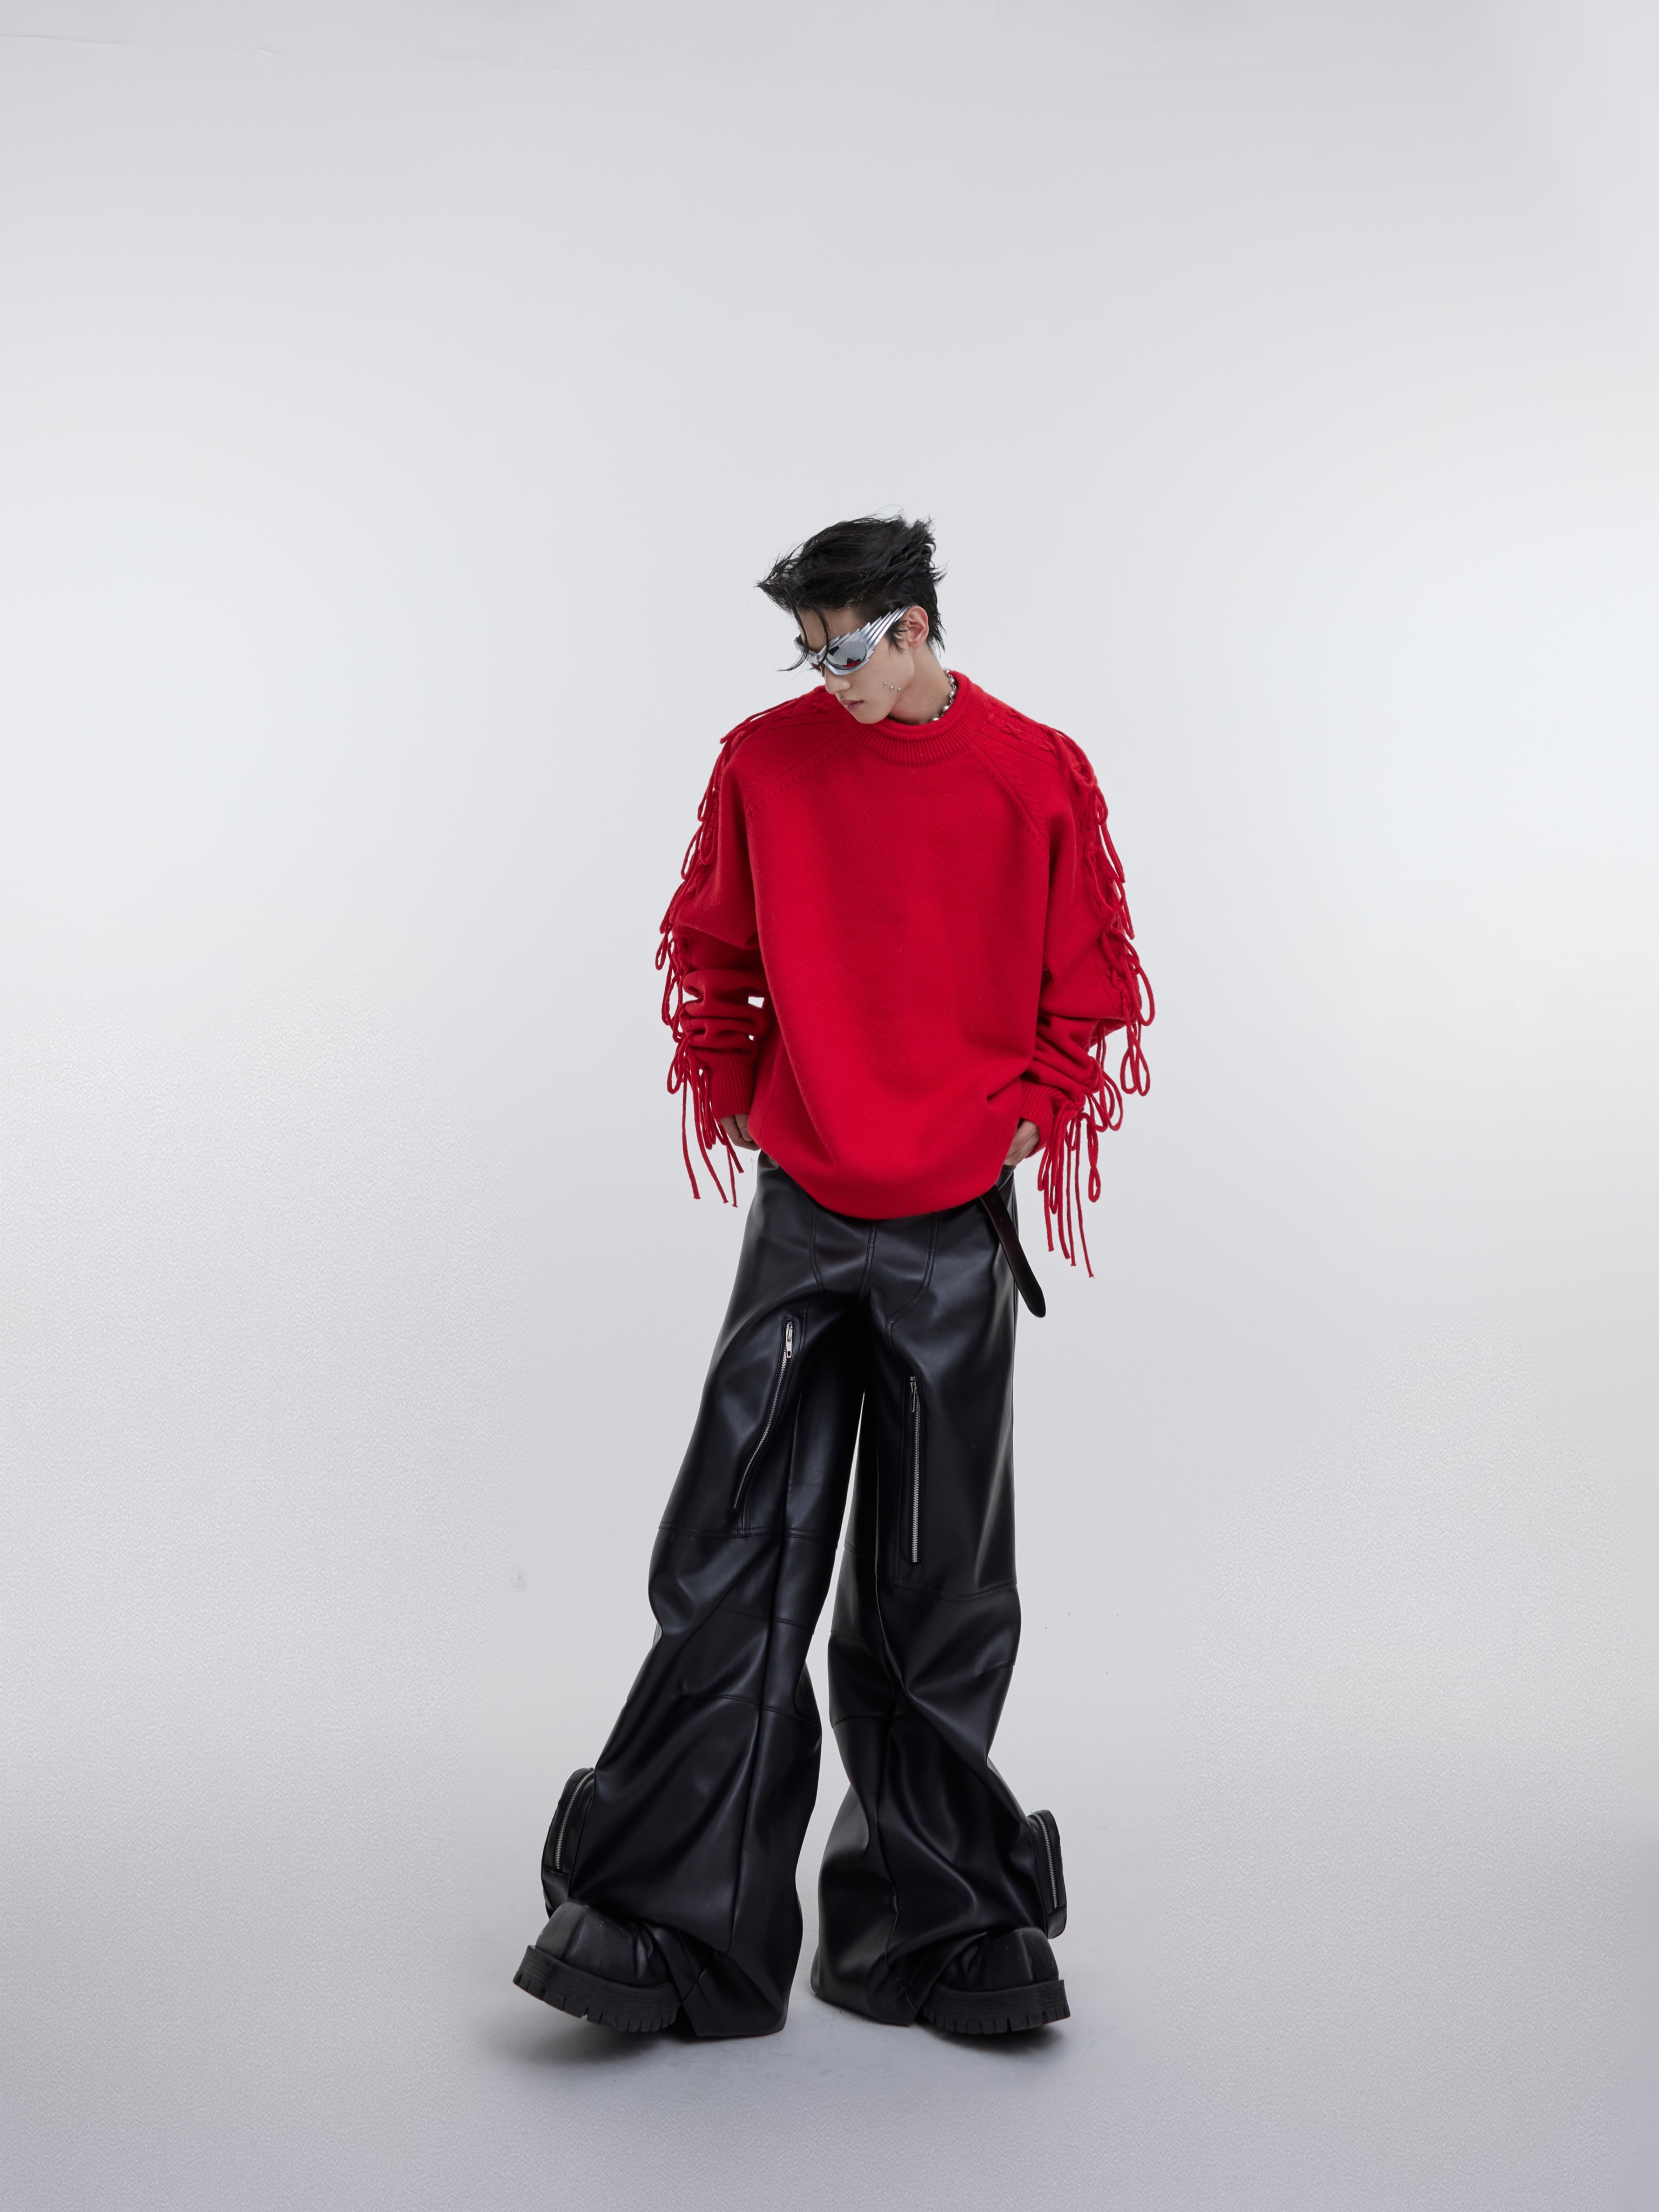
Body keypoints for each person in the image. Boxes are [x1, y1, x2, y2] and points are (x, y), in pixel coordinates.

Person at [514, 515, 1152, 2040]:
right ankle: (679, 1922)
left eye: (849, 648)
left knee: (939, 1579)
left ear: (917, 628)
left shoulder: (1035, 774)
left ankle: (932, 1923)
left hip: (955, 1222)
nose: (828, 676)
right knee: (736, 1548)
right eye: (808, 651)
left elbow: (1090, 982)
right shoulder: (766, 763)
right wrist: (739, 1088)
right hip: (804, 1209)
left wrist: (1023, 1112)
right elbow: (711, 949)